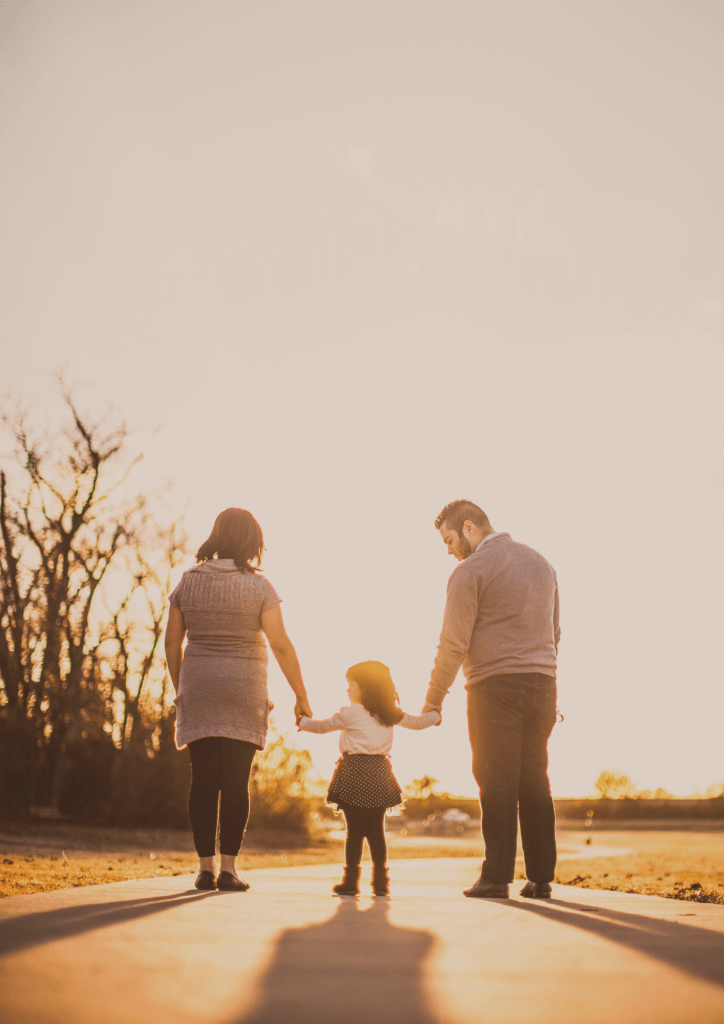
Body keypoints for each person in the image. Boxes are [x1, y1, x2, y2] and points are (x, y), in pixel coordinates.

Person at [164, 508, 312, 893]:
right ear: (252, 541)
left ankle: (204, 869)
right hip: (244, 690)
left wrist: (182, 689)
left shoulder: (188, 581)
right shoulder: (260, 587)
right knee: (235, 781)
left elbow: (172, 642)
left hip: (199, 686)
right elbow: (281, 645)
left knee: (203, 780)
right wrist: (300, 695)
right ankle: (228, 870)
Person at [422, 499, 560, 900]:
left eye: (449, 540)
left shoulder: (470, 571)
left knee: (496, 780)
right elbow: (555, 632)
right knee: (534, 780)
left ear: (469, 527)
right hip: (543, 684)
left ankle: (496, 877)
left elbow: (453, 643)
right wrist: (542, 672)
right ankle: (540, 878)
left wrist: (434, 699)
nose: (449, 550)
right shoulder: (543, 564)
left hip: (494, 687)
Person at [299, 661, 439, 896]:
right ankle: (381, 882)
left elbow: (322, 727)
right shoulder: (388, 713)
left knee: (354, 831)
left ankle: (351, 882)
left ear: (364, 687)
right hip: (379, 773)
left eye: (351, 684)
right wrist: (435, 715)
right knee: (376, 831)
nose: (347, 689)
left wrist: (302, 721)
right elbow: (417, 723)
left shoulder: (350, 713)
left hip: (353, 773)